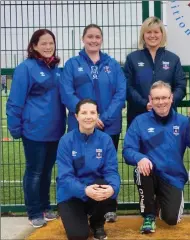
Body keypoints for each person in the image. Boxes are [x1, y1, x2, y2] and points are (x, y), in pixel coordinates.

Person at [60, 24, 125, 222]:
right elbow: (66, 92)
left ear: (102, 40)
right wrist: (87, 117)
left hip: (108, 126)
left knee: (106, 166)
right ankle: (81, 205)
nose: (93, 40)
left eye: (97, 37)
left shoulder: (112, 65)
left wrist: (102, 118)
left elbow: (120, 93)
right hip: (80, 126)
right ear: (83, 39)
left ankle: (107, 207)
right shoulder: (72, 64)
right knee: (79, 166)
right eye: (90, 36)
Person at [6, 29, 66, 228]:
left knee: (47, 171)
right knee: (35, 172)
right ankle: (33, 211)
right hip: (34, 131)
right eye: (44, 43)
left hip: (55, 130)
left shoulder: (57, 69)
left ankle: (45, 206)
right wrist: (15, 127)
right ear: (34, 46)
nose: (48, 47)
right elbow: (15, 101)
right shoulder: (26, 68)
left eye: (51, 43)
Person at [123, 81, 190, 234]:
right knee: (142, 170)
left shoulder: (183, 122)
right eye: (156, 98)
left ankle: (160, 201)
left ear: (171, 98)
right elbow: (127, 150)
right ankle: (149, 215)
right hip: (150, 173)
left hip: (173, 177)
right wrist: (140, 157)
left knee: (171, 219)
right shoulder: (140, 121)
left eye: (164, 97)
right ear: (150, 100)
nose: (161, 102)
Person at [56, 99, 120, 240]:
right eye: (84, 112)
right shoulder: (66, 141)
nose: (88, 116)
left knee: (105, 184)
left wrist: (113, 189)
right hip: (71, 195)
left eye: (92, 112)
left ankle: (97, 224)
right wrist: (84, 190)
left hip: (95, 190)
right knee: (78, 235)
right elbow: (65, 177)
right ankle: (78, 216)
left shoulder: (105, 140)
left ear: (97, 116)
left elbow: (111, 171)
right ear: (76, 116)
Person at [124, 16, 186, 127]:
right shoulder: (132, 58)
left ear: (162, 34)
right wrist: (145, 104)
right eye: (148, 32)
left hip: (167, 116)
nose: (152, 36)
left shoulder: (173, 59)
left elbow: (181, 87)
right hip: (138, 115)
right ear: (143, 34)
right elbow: (128, 87)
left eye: (156, 32)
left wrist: (167, 103)